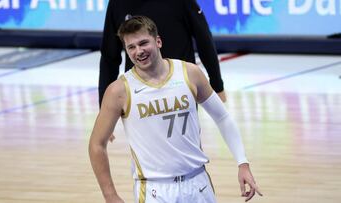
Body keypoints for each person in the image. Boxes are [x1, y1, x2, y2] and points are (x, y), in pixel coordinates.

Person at [89, 16, 262, 203]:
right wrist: (110, 195)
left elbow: (222, 117)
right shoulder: (119, 91)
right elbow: (96, 145)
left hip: (198, 183)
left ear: (158, 41)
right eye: (131, 47)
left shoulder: (190, 73)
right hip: (154, 190)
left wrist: (242, 163)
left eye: (143, 43)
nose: (138, 51)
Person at [98, 0, 226, 108]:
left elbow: (204, 39)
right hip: (138, 92)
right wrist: (103, 106)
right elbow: (109, 56)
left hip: (180, 89)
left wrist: (217, 84)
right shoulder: (118, 3)